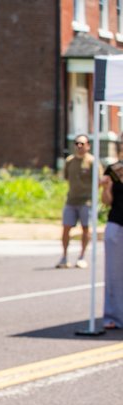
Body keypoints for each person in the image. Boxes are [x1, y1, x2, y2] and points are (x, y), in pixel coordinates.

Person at [59, 133, 94, 269]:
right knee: (66, 227)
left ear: (88, 146)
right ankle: (64, 257)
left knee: (85, 228)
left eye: (82, 143)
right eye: (77, 143)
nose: (79, 146)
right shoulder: (69, 161)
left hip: (86, 201)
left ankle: (82, 257)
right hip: (71, 200)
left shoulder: (92, 161)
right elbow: (66, 177)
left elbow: (99, 181)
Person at [100, 147, 123, 330]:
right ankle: (113, 316)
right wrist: (106, 187)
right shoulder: (114, 170)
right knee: (113, 273)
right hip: (116, 223)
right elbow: (107, 201)